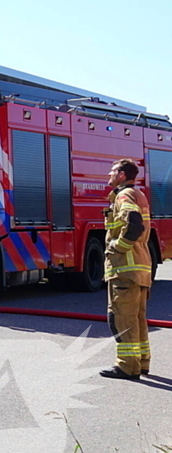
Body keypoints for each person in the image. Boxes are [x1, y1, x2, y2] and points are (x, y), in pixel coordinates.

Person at [100, 158, 153, 380]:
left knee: (121, 318)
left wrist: (118, 247)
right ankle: (140, 363)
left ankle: (126, 366)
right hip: (139, 268)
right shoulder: (138, 194)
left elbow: (133, 222)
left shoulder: (124, 195)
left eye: (113, 172)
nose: (109, 175)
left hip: (125, 269)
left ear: (122, 175)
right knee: (137, 318)